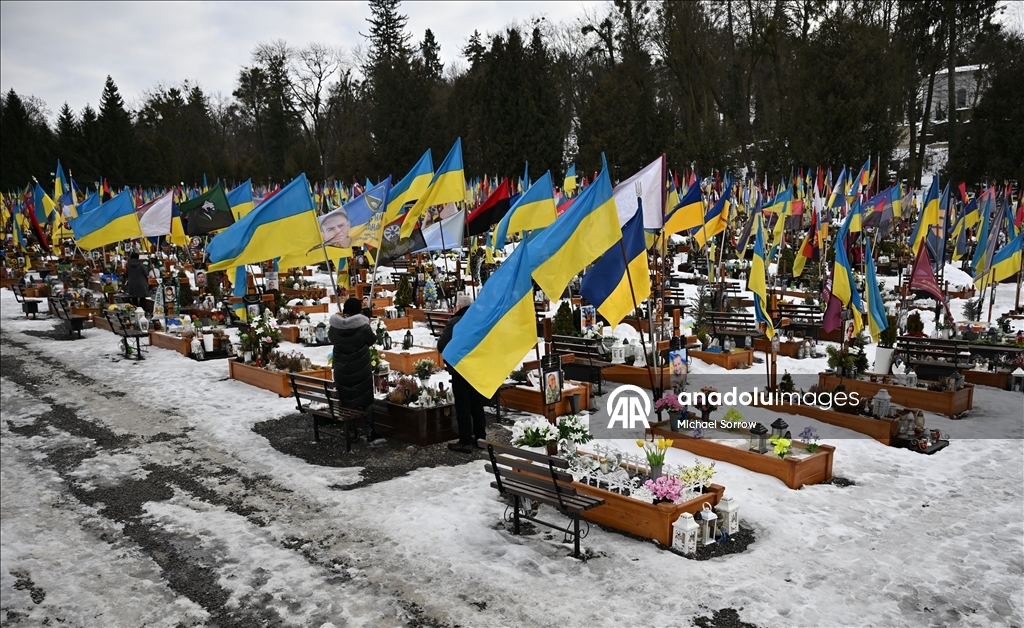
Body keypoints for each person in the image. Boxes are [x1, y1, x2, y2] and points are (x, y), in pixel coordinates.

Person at [438, 293, 487, 453]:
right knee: (476, 404)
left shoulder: (455, 322)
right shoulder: (478, 321)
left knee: (463, 405)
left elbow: (441, 344)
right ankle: (480, 438)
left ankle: (465, 441)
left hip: (460, 369)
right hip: (476, 368)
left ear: (458, 307)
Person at [328, 297, 381, 443]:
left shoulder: (335, 327)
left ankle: (352, 431)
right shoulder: (363, 327)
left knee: (346, 399)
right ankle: (370, 431)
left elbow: (331, 338)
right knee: (367, 400)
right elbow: (372, 340)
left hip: (342, 372)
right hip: (361, 371)